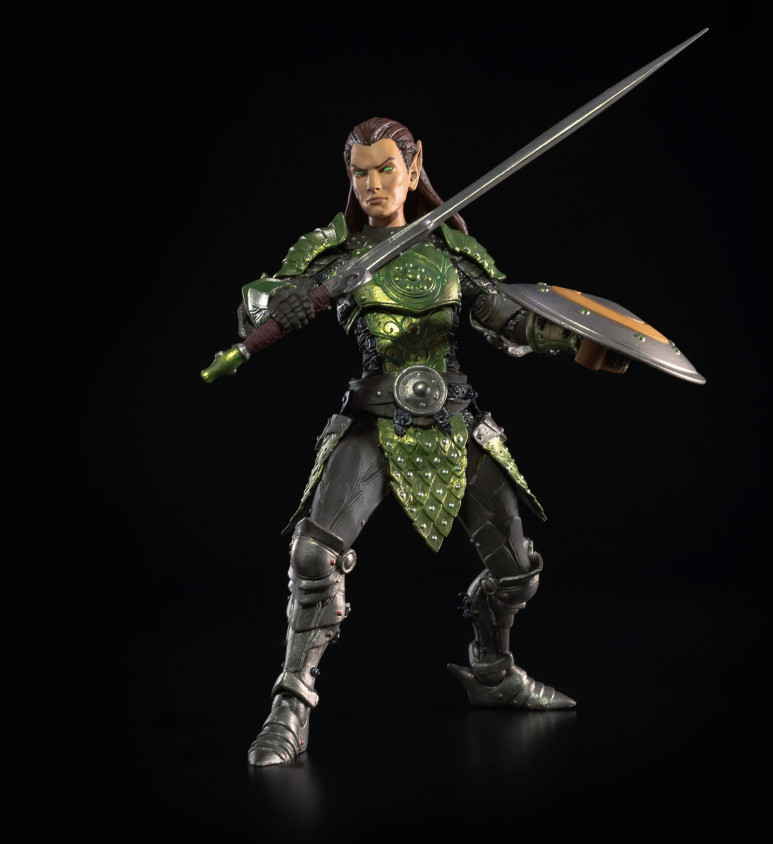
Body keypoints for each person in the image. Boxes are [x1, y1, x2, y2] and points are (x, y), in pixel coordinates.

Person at [234, 117, 630, 766]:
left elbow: (508, 317)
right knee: (313, 554)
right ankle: (290, 707)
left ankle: (493, 670)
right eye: (360, 172)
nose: (373, 184)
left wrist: (575, 340)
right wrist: (281, 303)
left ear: (414, 169)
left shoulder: (450, 250)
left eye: (386, 169)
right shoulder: (332, 250)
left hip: (453, 419)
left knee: (517, 570)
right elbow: (261, 299)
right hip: (373, 419)